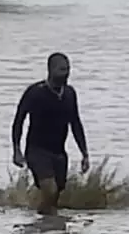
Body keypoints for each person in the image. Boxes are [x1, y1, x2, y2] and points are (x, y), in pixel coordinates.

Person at [12, 52, 90, 215]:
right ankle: (42, 224)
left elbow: (75, 123)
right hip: (37, 150)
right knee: (50, 189)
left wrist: (84, 153)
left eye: (68, 69)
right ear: (50, 70)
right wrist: (17, 151)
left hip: (59, 153)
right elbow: (19, 120)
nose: (66, 73)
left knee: (55, 196)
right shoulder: (35, 93)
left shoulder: (69, 93)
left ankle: (44, 226)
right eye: (62, 69)